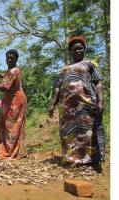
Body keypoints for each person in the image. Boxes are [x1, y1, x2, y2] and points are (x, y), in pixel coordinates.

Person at [49, 35, 105, 171]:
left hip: (85, 104)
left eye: (80, 49)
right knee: (68, 133)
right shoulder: (64, 69)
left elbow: (98, 82)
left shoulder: (91, 64)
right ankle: (71, 159)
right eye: (75, 49)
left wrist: (101, 100)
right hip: (66, 108)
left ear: (84, 49)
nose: (78, 51)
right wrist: (52, 104)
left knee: (86, 131)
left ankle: (89, 160)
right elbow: (57, 87)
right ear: (71, 51)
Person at [0, 49, 27, 160]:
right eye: (8, 57)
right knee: (12, 126)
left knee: (11, 127)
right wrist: (1, 75)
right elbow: (8, 78)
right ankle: (13, 150)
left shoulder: (13, 71)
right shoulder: (13, 70)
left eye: (12, 58)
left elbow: (4, 88)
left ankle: (9, 152)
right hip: (15, 100)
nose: (9, 60)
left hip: (15, 102)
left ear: (16, 59)